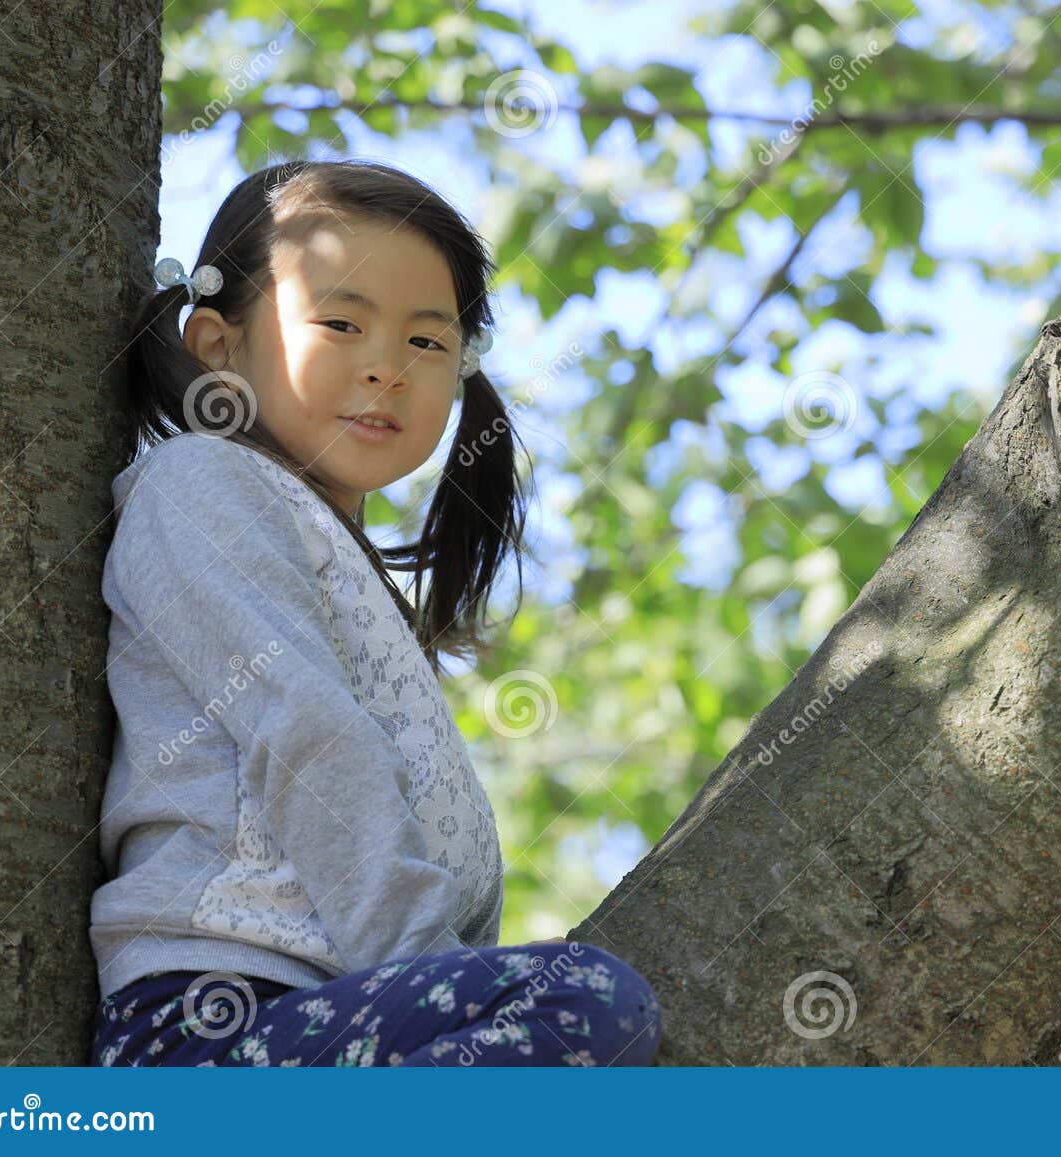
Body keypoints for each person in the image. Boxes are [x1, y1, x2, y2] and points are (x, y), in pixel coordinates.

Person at [88, 159, 662, 1066]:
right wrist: (438, 979)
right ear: (218, 346)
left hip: (332, 1010)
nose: (386, 369)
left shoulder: (336, 564)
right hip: (216, 1021)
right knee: (584, 999)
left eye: (427, 343)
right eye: (342, 323)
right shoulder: (201, 483)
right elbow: (307, 735)